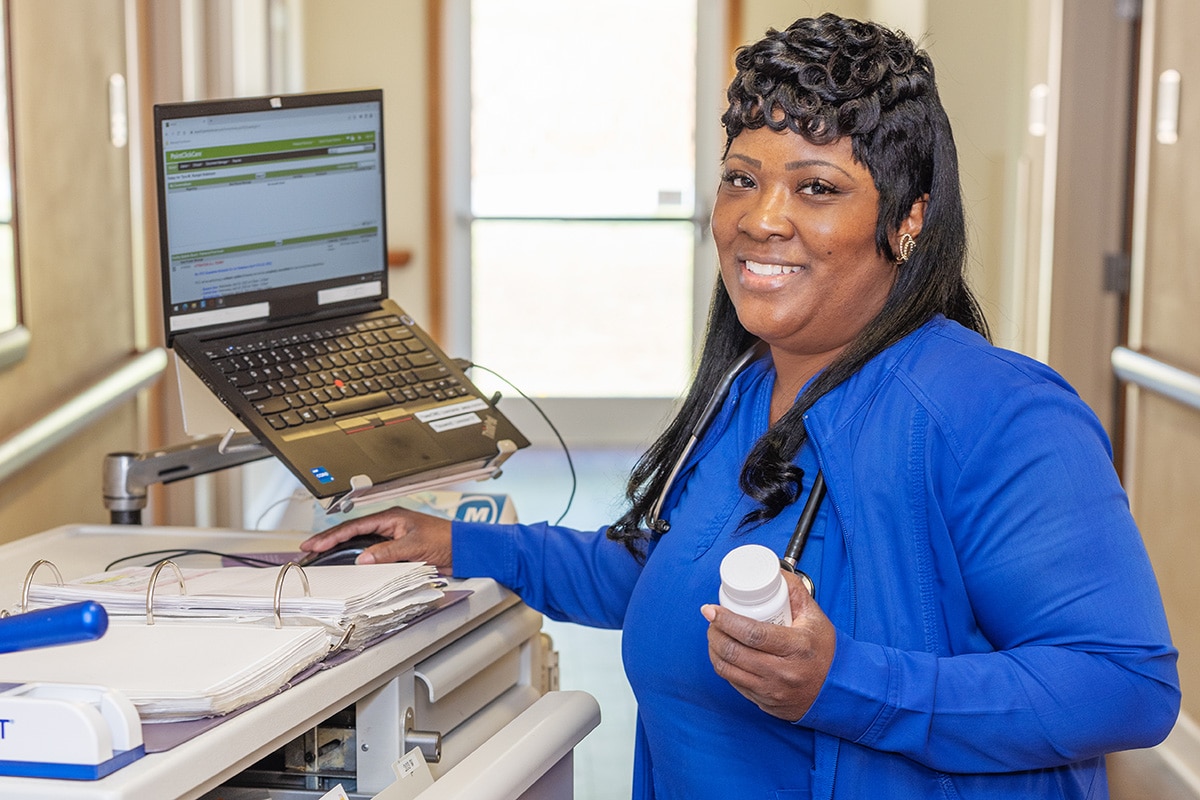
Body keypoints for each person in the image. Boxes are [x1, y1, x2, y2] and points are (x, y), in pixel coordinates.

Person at [301, 13, 1179, 799]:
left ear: (907, 222)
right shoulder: (750, 386)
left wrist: (845, 687)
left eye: (816, 187)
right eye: (739, 179)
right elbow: (669, 573)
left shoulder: (999, 414)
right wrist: (457, 543)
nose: (760, 219)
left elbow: (1125, 685)